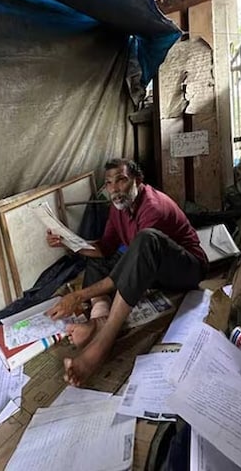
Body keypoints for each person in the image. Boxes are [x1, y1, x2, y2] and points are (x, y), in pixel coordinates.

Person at [45, 158, 207, 386]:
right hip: (150, 270)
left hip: (186, 270)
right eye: (109, 183)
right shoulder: (118, 208)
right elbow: (104, 248)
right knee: (96, 259)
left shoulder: (153, 207)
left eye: (121, 180)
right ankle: (98, 320)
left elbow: (134, 265)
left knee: (146, 239)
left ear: (137, 181)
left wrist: (79, 296)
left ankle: (103, 341)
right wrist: (68, 243)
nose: (114, 189)